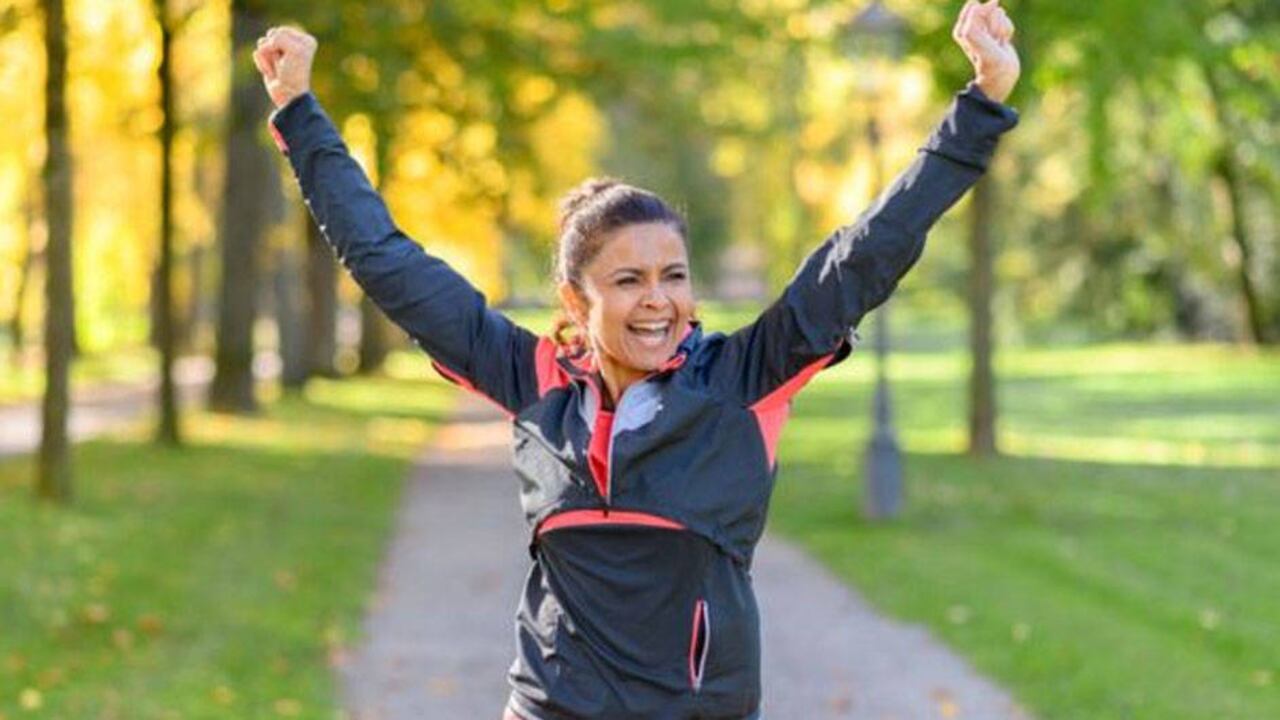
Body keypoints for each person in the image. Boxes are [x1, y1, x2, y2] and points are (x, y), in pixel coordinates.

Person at [253, 1, 1020, 717]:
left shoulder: (741, 381)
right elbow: (386, 260)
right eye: (628, 281)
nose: (659, 300)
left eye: (673, 276)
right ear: (574, 299)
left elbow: (866, 253)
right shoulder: (536, 382)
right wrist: (299, 112)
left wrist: (980, 106)